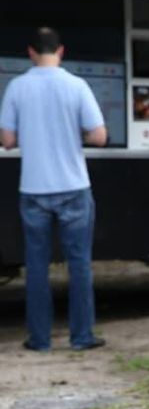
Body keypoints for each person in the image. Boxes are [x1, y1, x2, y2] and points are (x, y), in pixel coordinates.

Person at [0, 27, 107, 351]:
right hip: (74, 186)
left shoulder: (17, 87)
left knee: (36, 267)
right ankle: (82, 336)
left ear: (31, 52)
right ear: (60, 51)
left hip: (33, 188)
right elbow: (99, 135)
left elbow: (6, 140)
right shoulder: (76, 85)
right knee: (79, 264)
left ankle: (40, 338)